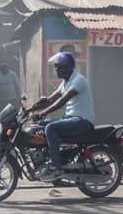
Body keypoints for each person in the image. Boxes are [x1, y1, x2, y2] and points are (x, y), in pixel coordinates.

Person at [27, 52, 96, 182]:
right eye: (56, 67)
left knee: (51, 128)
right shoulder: (66, 82)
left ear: (67, 67)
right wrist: (32, 109)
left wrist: (43, 113)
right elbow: (51, 99)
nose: (56, 70)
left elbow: (61, 101)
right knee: (39, 125)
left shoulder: (78, 80)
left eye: (59, 67)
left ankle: (57, 167)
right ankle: (48, 159)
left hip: (83, 121)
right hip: (71, 118)